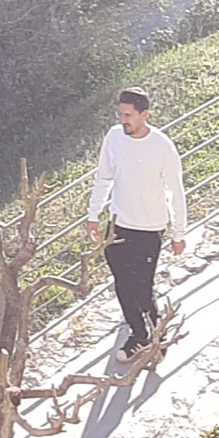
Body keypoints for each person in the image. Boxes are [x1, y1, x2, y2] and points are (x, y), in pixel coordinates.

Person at [85, 86, 188, 356]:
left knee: (142, 288)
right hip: (118, 225)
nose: (123, 120)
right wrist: (93, 216)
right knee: (122, 283)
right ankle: (139, 334)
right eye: (120, 114)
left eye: (128, 115)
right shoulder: (114, 137)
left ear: (145, 115)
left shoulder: (163, 147)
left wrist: (179, 233)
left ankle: (156, 333)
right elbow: (104, 177)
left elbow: (176, 191)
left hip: (149, 229)